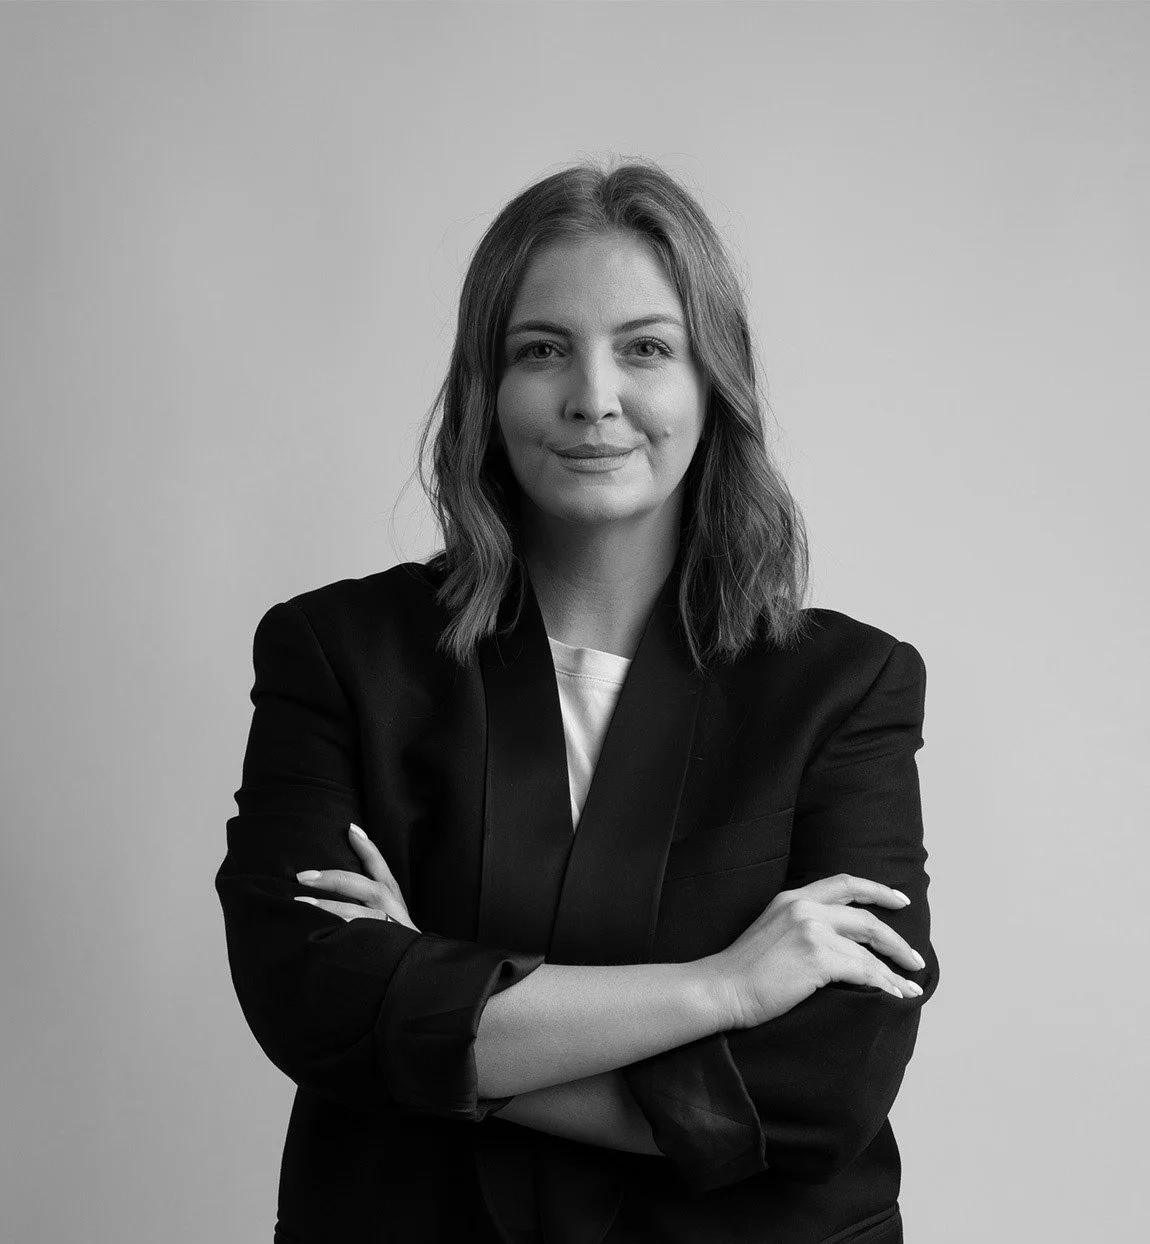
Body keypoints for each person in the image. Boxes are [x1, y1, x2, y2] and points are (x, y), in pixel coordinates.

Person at [216, 158, 938, 1244]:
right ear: (485, 386)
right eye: (541, 348)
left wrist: (438, 1026)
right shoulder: (337, 652)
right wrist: (722, 990)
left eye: (645, 347)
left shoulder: (843, 686)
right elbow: (311, 998)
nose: (593, 397)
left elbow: (822, 1085)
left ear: (713, 382)